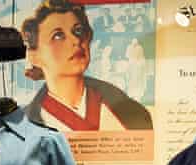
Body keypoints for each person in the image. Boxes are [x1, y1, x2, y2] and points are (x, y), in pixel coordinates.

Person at [21, 0, 152, 131]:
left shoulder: (130, 112)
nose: (76, 40)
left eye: (78, 31)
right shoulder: (24, 127)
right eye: (58, 36)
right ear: (34, 55)